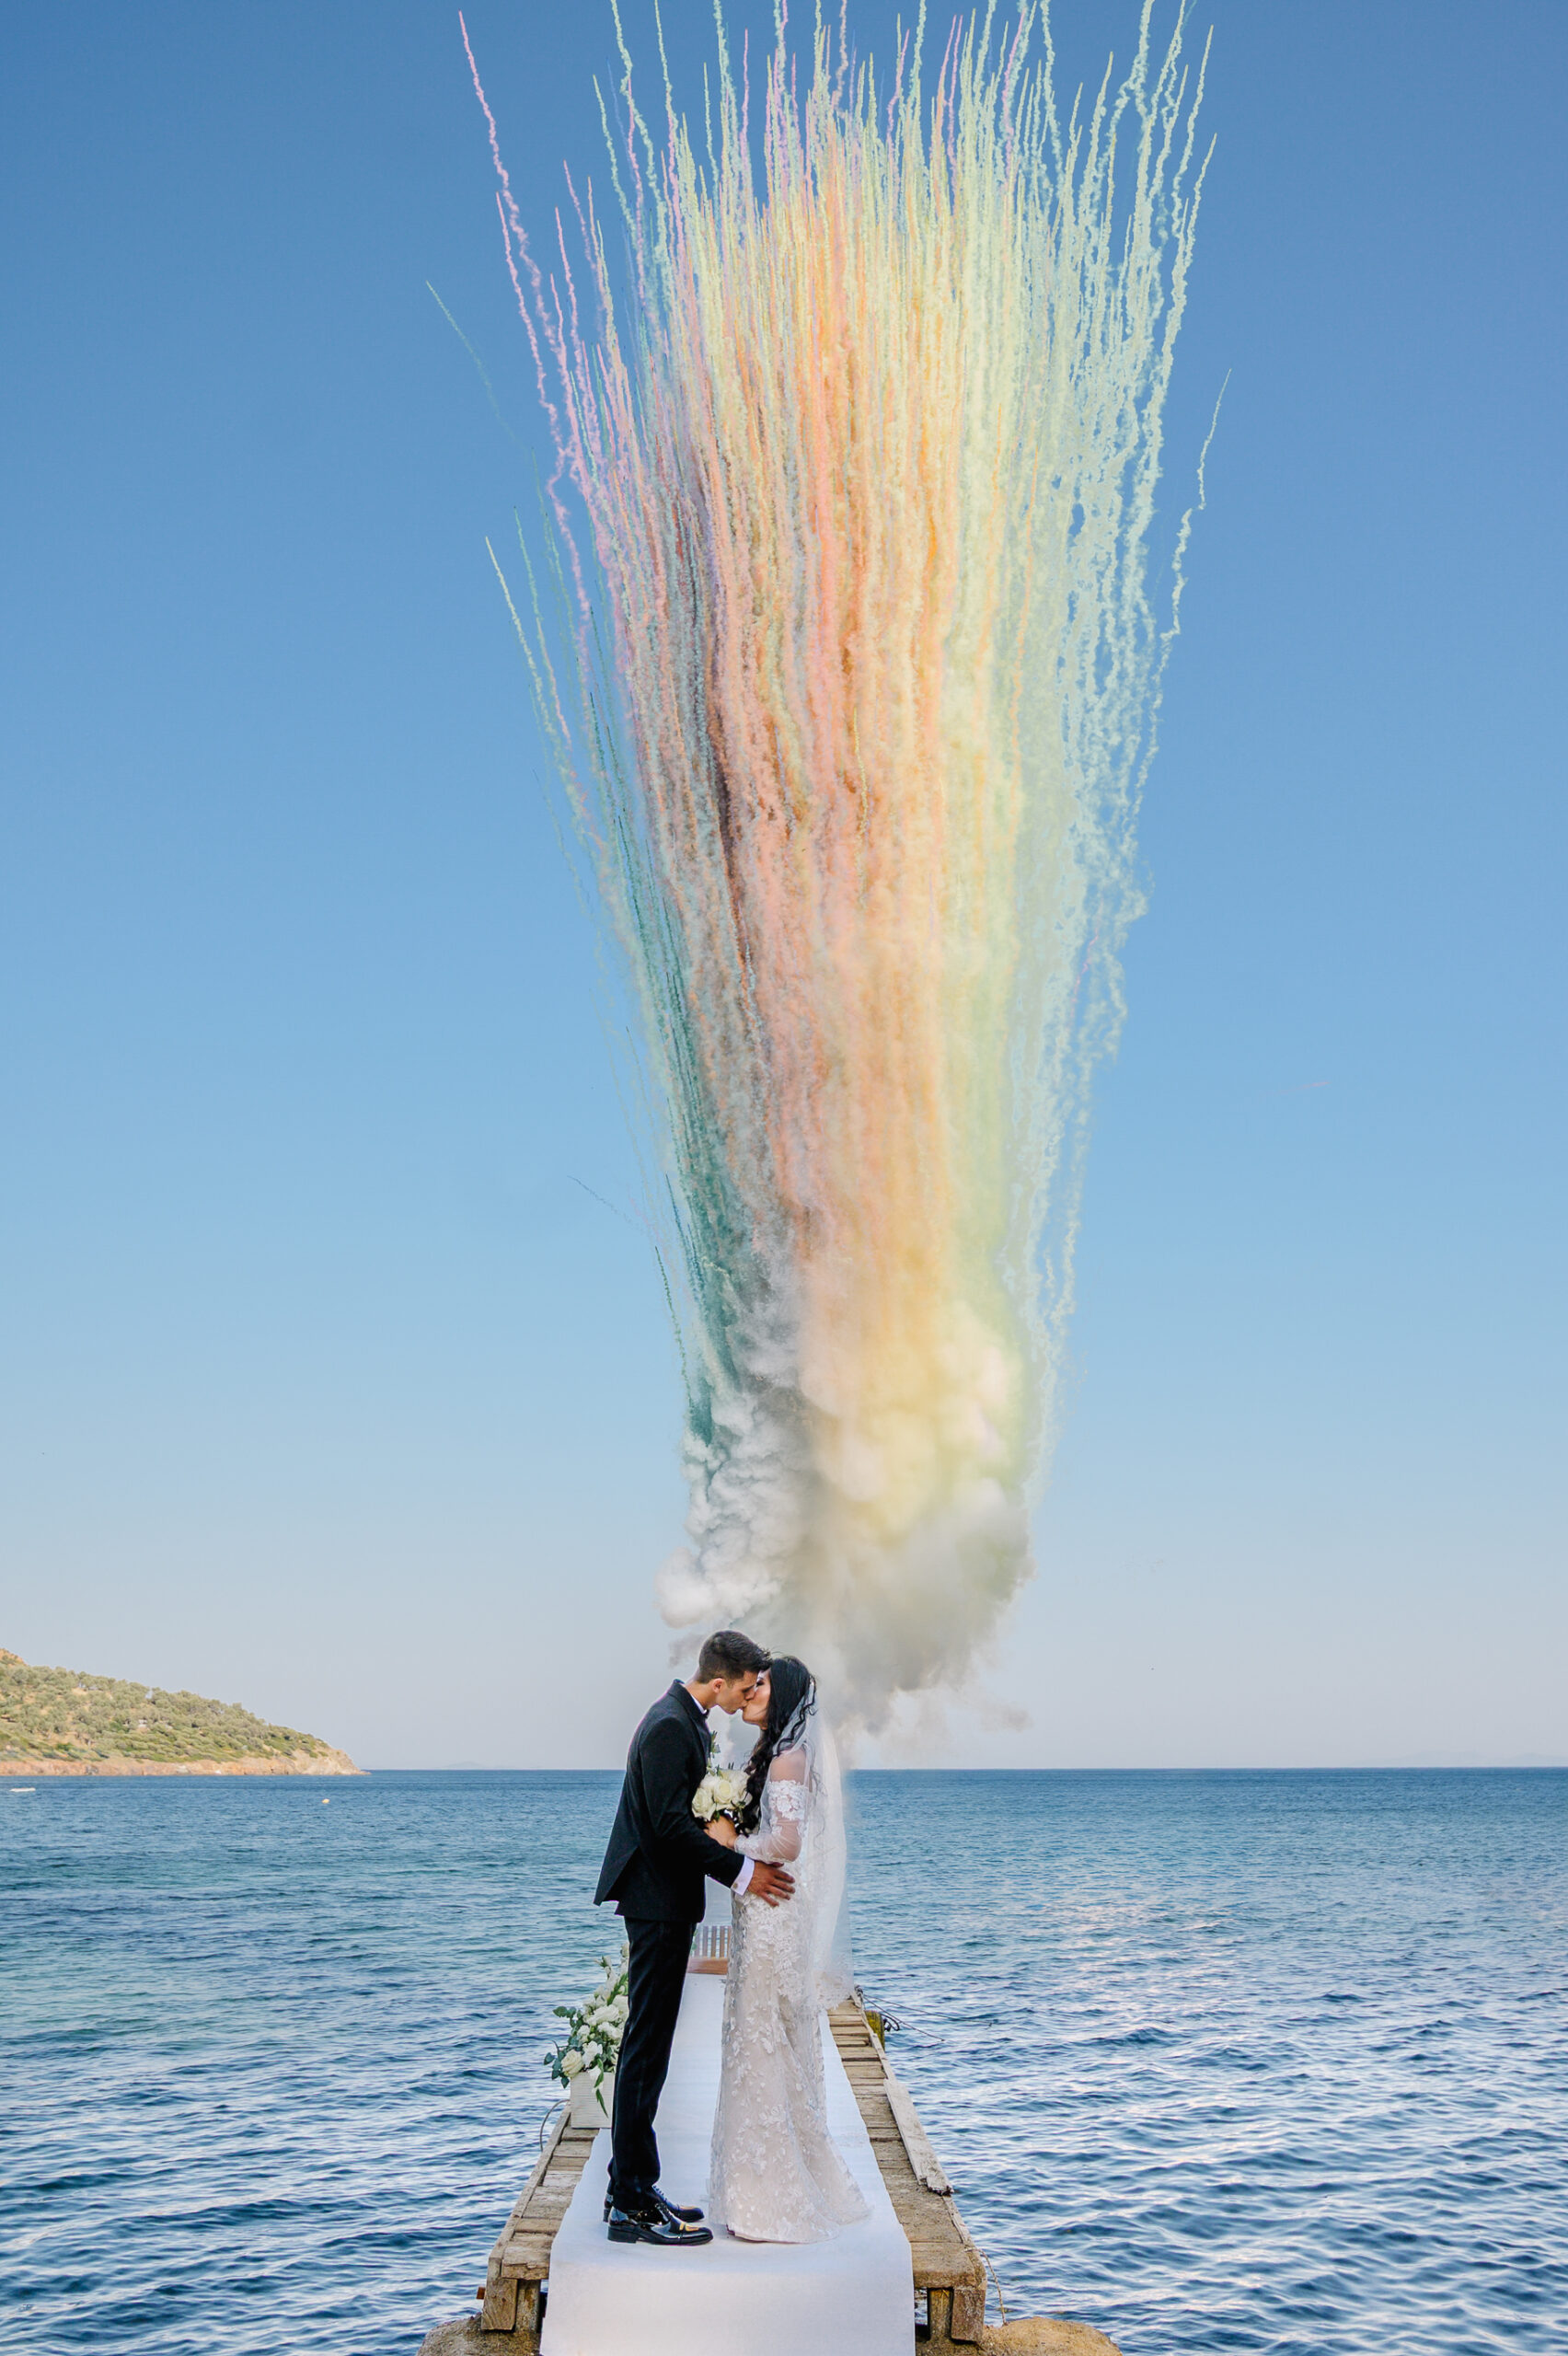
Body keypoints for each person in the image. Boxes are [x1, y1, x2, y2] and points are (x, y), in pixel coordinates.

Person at [594, 1629, 795, 2248]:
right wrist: (743, 1872)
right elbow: (668, 1829)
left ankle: (631, 2187)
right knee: (646, 2048)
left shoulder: (683, 1720)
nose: (746, 1697)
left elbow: (683, 1817)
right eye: (745, 1687)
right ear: (720, 1680)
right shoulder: (669, 1727)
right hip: (656, 1904)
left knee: (649, 2047)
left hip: (665, 1903)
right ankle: (630, 2203)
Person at [703, 1656, 870, 2242]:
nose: (750, 1691)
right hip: (762, 1912)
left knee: (762, 2037)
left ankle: (771, 2196)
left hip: (773, 1917)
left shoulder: (787, 1758)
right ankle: (756, 2187)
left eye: (762, 1685)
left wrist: (730, 1842)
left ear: (785, 1695)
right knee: (757, 2038)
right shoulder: (772, 1753)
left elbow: (788, 1844)